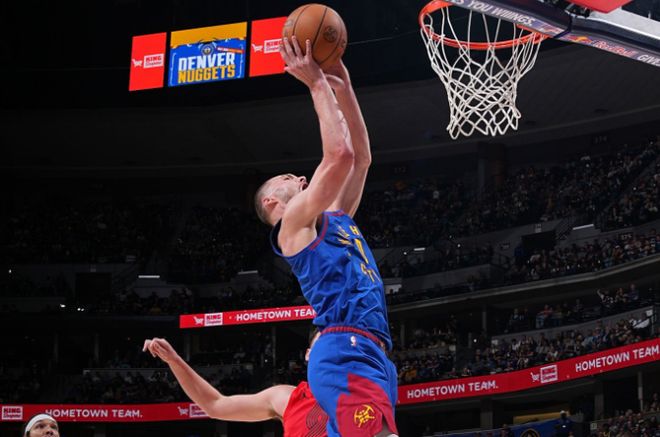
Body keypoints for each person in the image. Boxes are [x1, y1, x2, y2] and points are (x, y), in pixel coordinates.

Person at [254, 36, 398, 437]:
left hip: (374, 351)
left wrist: (344, 87)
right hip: (344, 348)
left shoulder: (334, 217)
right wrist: (317, 84)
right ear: (271, 201)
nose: (299, 177)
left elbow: (361, 157)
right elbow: (339, 156)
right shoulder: (292, 226)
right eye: (287, 178)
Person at [143, 331, 328, 436]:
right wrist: (174, 361)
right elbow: (214, 405)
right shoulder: (286, 398)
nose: (329, 351)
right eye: (323, 344)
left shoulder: (349, 396)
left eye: (335, 346)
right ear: (308, 354)